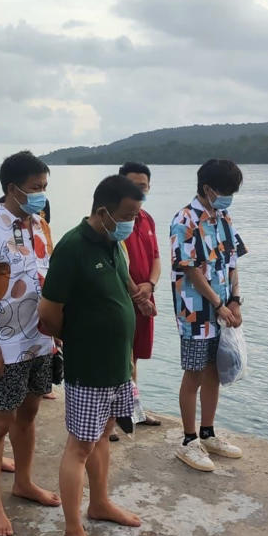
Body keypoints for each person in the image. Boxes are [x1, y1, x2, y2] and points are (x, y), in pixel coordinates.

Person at [38, 175, 148, 536]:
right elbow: (48, 314)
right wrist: (81, 338)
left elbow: (120, 286)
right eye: (128, 214)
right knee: (80, 447)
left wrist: (137, 297)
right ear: (103, 212)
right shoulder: (72, 248)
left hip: (117, 363)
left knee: (104, 434)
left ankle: (100, 503)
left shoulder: (112, 242)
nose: (133, 221)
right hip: (89, 368)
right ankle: (73, 531)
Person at [0, 150, 61, 536]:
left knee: (29, 414)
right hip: (6, 346)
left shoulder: (40, 226)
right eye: (35, 188)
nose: (41, 195)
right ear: (11, 189)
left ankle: (23, 482)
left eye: (44, 188)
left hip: (39, 342)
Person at [170, 159, 246, 472]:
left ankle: (208, 432)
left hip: (223, 308)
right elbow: (190, 272)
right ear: (207, 188)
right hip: (196, 312)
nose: (228, 196)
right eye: (225, 191)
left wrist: (236, 300)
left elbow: (232, 263)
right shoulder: (184, 220)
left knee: (215, 371)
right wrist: (218, 304)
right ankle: (188, 441)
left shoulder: (224, 217)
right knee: (195, 374)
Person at [118, 162, 163, 428]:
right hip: (124, 299)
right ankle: (112, 418)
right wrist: (138, 294)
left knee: (133, 357)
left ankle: (133, 409)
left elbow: (156, 257)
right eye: (132, 185)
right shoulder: (114, 221)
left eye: (142, 186)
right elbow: (116, 264)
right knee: (118, 356)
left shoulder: (147, 219)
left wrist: (151, 285)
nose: (138, 190)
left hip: (145, 298)